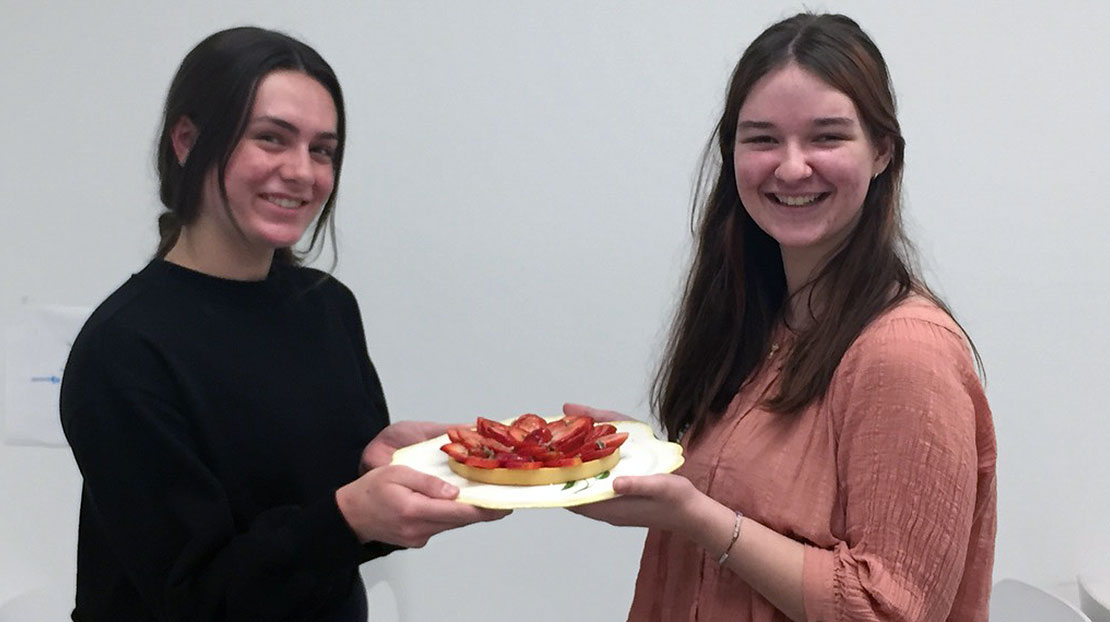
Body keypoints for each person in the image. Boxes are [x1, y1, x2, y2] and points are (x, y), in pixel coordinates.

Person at [59, 26, 507, 621]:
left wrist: (375, 472)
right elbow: (192, 597)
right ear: (188, 141)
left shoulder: (327, 306)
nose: (302, 172)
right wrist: (349, 514)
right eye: (271, 138)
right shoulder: (124, 350)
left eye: (322, 150)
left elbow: (309, 519)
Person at [567, 12, 996, 622]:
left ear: (881, 153)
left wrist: (689, 512)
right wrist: (638, 465)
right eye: (763, 138)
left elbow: (886, 610)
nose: (792, 167)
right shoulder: (768, 319)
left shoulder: (904, 352)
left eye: (826, 137)